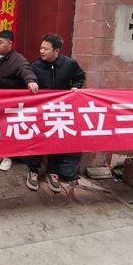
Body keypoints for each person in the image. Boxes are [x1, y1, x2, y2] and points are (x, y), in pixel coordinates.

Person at [24, 33, 86, 193]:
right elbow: (28, 77)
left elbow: (80, 77)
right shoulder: (36, 65)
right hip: (40, 110)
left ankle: (53, 172)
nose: (41, 51)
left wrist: (76, 87)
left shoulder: (70, 64)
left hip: (60, 110)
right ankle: (33, 170)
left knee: (57, 140)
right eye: (41, 48)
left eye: (46, 49)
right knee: (37, 138)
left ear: (56, 51)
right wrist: (31, 82)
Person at [0, 30, 39, 172]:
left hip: (10, 102)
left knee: (9, 129)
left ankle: (8, 156)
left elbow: (26, 71)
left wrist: (31, 81)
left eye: (1, 42)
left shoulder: (18, 59)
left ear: (10, 43)